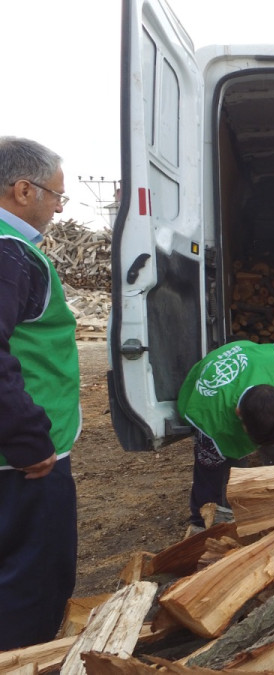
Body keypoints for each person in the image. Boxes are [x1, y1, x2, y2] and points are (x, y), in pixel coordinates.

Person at [0, 137, 81, 649]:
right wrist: (30, 439)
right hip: (25, 463)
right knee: (31, 587)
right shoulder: (11, 254)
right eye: (56, 195)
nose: (56, 207)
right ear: (23, 189)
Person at [178, 340, 274, 529]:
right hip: (213, 394)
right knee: (221, 470)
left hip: (256, 361)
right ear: (238, 414)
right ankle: (206, 523)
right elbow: (213, 471)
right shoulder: (211, 421)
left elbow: (269, 426)